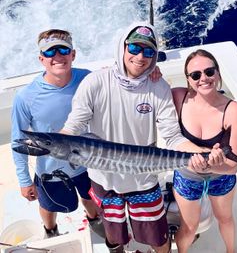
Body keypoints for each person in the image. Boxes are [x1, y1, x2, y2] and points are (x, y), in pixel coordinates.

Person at [61, 23, 225, 253]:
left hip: (143, 180)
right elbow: (73, 126)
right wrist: (58, 141)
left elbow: (172, 136)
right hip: (104, 180)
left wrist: (202, 153)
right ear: (122, 47)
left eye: (148, 52)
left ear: (155, 56)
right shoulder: (95, 82)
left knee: (157, 237)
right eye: (135, 48)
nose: (140, 57)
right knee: (113, 233)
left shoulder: (158, 87)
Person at [11, 29, 105, 238]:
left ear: (73, 54)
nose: (58, 56)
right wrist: (25, 180)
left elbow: (122, 79)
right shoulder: (25, 97)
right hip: (51, 170)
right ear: (41, 59)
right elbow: (18, 141)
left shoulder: (88, 79)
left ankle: (94, 218)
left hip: (88, 162)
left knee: (90, 197)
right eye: (50, 52)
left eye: (63, 49)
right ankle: (50, 230)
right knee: (49, 206)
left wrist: (152, 71)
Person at [171, 49, 237, 253]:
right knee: (189, 227)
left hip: (220, 177)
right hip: (187, 176)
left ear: (218, 73)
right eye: (195, 75)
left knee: (225, 219)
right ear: (188, 79)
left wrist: (212, 164)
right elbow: (147, 91)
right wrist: (153, 73)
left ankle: (231, 251)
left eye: (209, 72)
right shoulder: (178, 96)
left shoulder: (234, 110)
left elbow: (232, 167)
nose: (203, 78)